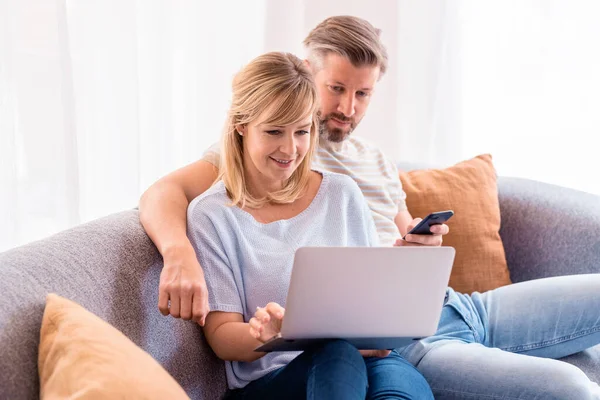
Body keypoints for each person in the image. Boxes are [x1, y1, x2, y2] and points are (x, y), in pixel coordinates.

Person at [140, 15, 600, 399]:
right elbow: (164, 193)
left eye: (362, 94)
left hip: (445, 309)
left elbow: (379, 261)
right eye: (336, 88)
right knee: (570, 387)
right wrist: (178, 254)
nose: (346, 107)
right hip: (395, 344)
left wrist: (415, 250)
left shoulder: (359, 172)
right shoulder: (243, 170)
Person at [185, 51, 433, 399]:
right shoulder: (212, 215)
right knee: (335, 353)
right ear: (241, 125)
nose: (290, 149)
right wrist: (268, 334)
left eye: (302, 131)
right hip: (274, 375)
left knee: (399, 386)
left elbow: (366, 300)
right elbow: (222, 338)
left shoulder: (341, 193)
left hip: (362, 357)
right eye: (274, 131)